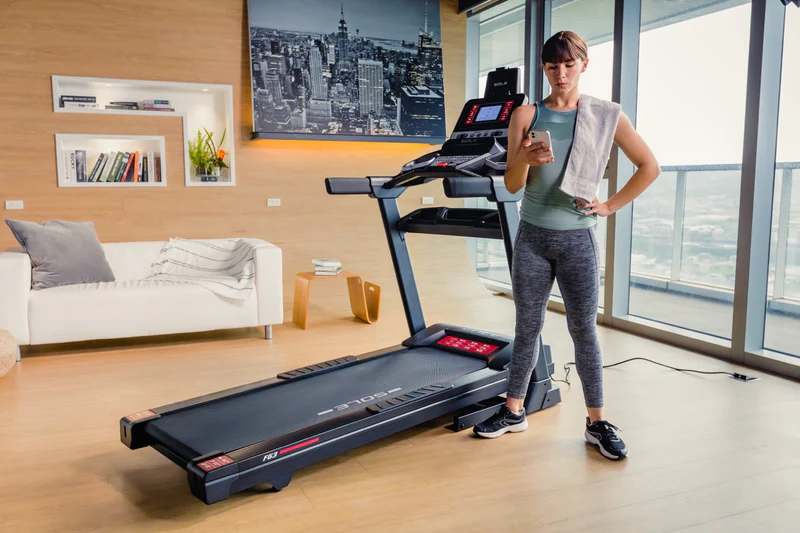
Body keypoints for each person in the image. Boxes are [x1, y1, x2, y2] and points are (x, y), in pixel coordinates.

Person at [473, 31, 661, 460]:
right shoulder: (525, 114)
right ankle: (514, 410)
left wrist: (609, 205)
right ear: (544, 68)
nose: (561, 73)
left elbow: (649, 166)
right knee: (527, 327)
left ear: (584, 64)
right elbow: (512, 185)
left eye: (569, 64)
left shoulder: (604, 115)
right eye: (553, 66)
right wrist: (523, 158)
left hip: (578, 239)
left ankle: (596, 423)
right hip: (533, 237)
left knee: (583, 332)